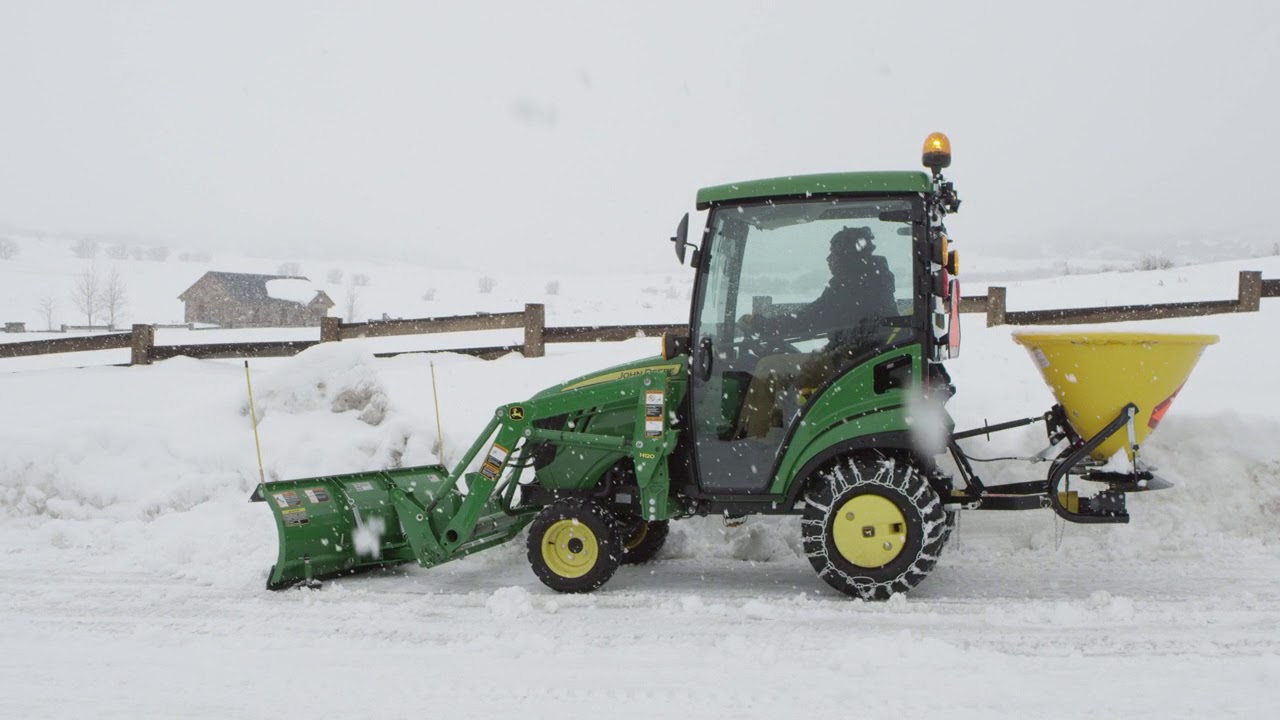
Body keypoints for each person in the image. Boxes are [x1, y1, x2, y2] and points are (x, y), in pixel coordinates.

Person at [735, 226, 898, 440]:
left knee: (768, 368)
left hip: (848, 362)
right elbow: (820, 318)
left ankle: (756, 441)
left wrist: (763, 324)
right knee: (781, 368)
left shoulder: (851, 285)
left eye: (834, 253)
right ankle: (774, 436)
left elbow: (808, 318)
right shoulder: (870, 280)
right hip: (854, 358)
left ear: (847, 256)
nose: (829, 259)